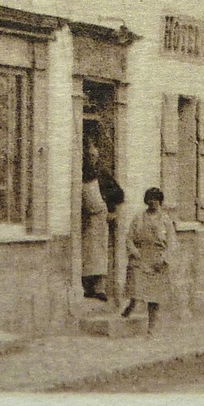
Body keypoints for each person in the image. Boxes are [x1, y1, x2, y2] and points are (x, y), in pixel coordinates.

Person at [120, 186, 173, 332]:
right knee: (136, 287)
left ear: (160, 202)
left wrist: (164, 259)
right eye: (150, 199)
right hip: (141, 256)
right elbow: (129, 238)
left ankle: (151, 327)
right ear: (146, 201)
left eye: (156, 200)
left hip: (157, 259)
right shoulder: (138, 218)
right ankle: (132, 305)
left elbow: (172, 243)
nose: (153, 202)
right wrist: (135, 251)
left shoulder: (166, 220)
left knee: (154, 297)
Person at [79, 142, 122, 301]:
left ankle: (100, 287)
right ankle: (87, 286)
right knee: (86, 252)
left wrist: (111, 210)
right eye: (89, 156)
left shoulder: (102, 174)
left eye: (94, 156)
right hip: (84, 219)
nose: (92, 159)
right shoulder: (80, 173)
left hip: (99, 219)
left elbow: (117, 194)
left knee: (99, 252)